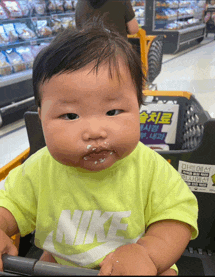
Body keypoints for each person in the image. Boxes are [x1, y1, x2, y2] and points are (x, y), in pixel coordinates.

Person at [0, 20, 198, 276]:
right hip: (63, 264)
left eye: (113, 111)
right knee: (47, 259)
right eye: (70, 116)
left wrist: (147, 254)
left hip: (140, 263)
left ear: (138, 108)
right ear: (41, 117)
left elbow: (176, 218)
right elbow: (9, 206)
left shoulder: (149, 168)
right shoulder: (39, 169)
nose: (94, 131)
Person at [75, 0, 139, 38]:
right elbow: (134, 29)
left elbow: (80, 31)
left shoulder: (80, 3)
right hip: (117, 53)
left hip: (90, 54)